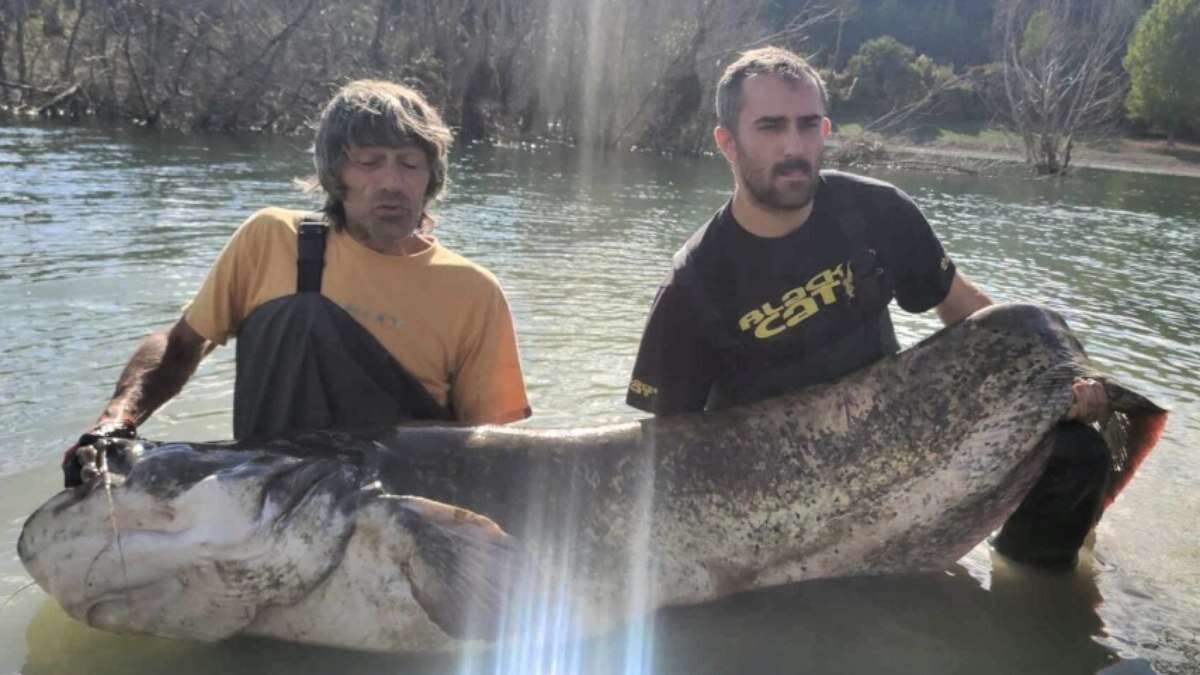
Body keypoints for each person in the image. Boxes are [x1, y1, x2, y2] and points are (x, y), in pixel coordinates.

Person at [626, 47, 1109, 569]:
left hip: (896, 454)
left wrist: (1060, 379)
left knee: (1078, 454)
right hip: (772, 497)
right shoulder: (691, 285)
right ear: (727, 141)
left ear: (826, 129)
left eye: (808, 125)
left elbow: (977, 319)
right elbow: (663, 457)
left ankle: (1030, 595)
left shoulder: (878, 212)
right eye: (770, 127)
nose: (794, 146)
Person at [64, 80, 531, 486]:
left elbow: (492, 451)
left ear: (431, 178)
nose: (392, 182)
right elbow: (182, 344)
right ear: (335, 174)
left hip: (393, 530)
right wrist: (115, 423)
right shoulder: (270, 240)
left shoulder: (472, 292)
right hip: (262, 506)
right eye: (369, 161)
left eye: (409, 164)